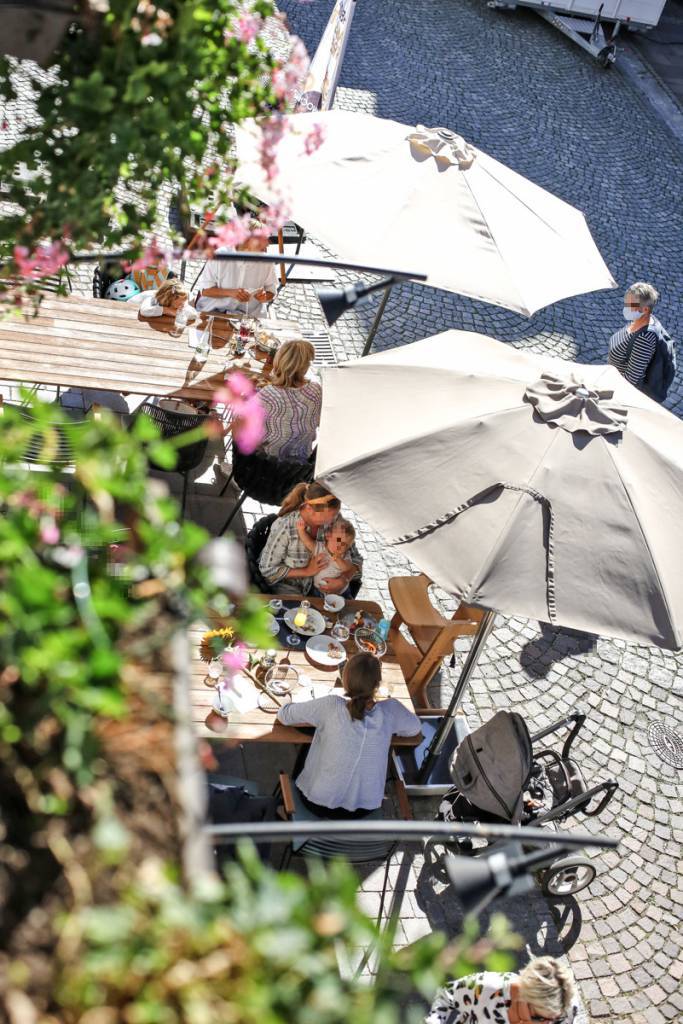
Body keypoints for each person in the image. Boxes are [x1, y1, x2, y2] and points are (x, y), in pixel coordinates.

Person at [276, 653, 421, 818]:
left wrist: (286, 696)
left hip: (316, 803)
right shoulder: (391, 710)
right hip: (362, 811)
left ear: (345, 679)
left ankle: (289, 803)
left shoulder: (332, 705)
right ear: (377, 685)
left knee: (311, 742)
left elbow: (284, 715)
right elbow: (414, 728)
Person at [259, 482, 362, 596]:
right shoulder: (286, 527)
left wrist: (344, 579)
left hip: (322, 591)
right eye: (330, 517)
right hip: (290, 588)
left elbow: (356, 559)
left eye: (335, 515)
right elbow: (267, 569)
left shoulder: (336, 521)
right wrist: (307, 571)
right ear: (309, 509)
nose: (333, 521)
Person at [425, 956, 579, 1024]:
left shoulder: (564, 1006)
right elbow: (445, 995)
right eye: (539, 1018)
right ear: (523, 995)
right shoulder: (488, 988)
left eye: (553, 1019)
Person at [257, 340, 322, 461]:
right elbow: (318, 421)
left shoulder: (268, 394)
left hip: (269, 458)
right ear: (305, 367)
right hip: (302, 457)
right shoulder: (316, 389)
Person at [194, 224, 277, 316]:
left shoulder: (267, 261)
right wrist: (230, 292)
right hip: (215, 311)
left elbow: (271, 291)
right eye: (262, 239)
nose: (267, 244)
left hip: (250, 315)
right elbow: (205, 291)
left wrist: (265, 296)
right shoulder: (220, 256)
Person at [607, 281, 663, 392]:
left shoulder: (644, 339)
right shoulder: (637, 320)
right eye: (626, 303)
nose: (625, 308)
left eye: (630, 305)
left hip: (616, 390)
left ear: (645, 310)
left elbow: (630, 379)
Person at [297, 515, 357, 597]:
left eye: (345, 545)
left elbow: (347, 569)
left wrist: (338, 559)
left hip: (339, 592)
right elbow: (308, 542)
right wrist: (301, 531)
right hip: (318, 590)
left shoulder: (344, 555)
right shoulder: (320, 548)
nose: (341, 546)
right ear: (328, 536)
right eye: (338, 540)